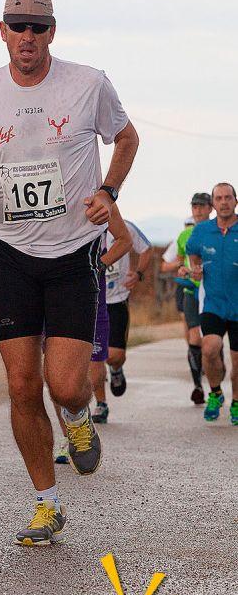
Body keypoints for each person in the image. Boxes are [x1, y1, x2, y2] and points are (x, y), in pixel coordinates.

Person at [0, 0, 139, 545]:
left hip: (74, 250)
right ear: (2, 31)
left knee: (66, 385)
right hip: (10, 252)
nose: (27, 36)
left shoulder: (88, 83)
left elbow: (127, 138)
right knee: (22, 384)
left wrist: (109, 189)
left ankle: (76, 418)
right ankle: (46, 503)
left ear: (52, 32)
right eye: (17, 26)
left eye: (37, 27)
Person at [54, 204, 133, 459]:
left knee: (95, 371)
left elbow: (124, 240)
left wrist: (97, 265)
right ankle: (68, 436)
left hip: (90, 294)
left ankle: (86, 409)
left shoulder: (98, 195)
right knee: (55, 370)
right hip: (51, 291)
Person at [186, 182, 238, 425]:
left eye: (228, 197)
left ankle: (236, 402)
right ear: (213, 204)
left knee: (237, 360)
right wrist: (196, 268)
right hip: (213, 303)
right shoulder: (202, 231)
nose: (224, 202)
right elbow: (192, 253)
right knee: (209, 348)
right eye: (219, 198)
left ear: (235, 201)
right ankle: (215, 393)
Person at [90, 221, 151, 418]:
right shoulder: (81, 228)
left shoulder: (125, 227)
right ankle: (101, 403)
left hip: (117, 299)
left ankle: (116, 369)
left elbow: (146, 249)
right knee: (95, 356)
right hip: (90, 300)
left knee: (113, 356)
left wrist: (138, 274)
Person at [161, 193, 213, 404]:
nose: (198, 210)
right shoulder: (185, 235)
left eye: (201, 206)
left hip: (214, 292)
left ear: (210, 208)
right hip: (191, 291)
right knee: (194, 336)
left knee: (212, 341)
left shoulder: (219, 232)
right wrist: (182, 269)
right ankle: (198, 386)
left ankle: (215, 375)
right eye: (194, 206)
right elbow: (179, 262)